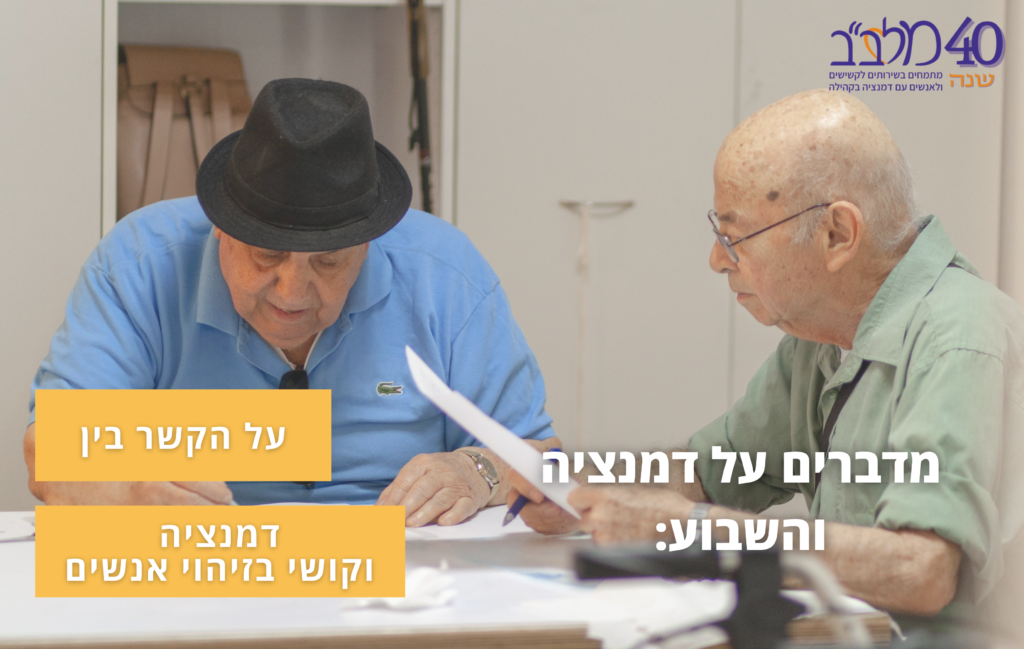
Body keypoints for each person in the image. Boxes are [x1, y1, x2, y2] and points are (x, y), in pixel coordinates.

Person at [509, 89, 1024, 628]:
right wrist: (577, 485)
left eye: (735, 237)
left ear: (837, 234)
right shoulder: (824, 337)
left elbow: (922, 570)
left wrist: (689, 527)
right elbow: (714, 468)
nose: (716, 260)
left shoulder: (956, 339)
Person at [24, 78, 560, 527]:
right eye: (266, 255)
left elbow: (549, 463)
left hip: (404, 574)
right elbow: (47, 451)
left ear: (367, 244)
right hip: (204, 563)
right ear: (220, 227)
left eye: (328, 262)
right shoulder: (138, 265)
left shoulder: (446, 273)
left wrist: (481, 471)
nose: (292, 292)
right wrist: (125, 491)